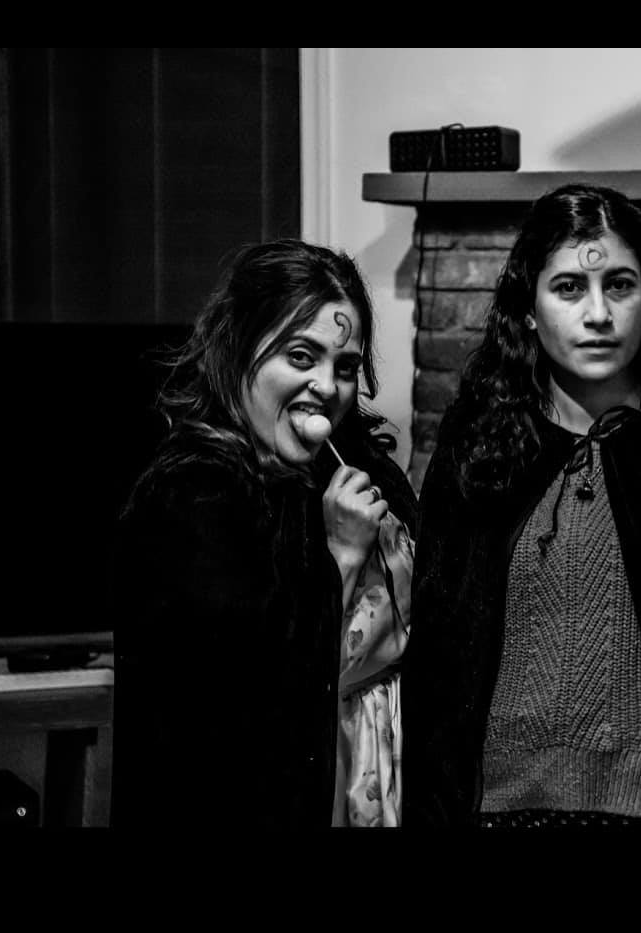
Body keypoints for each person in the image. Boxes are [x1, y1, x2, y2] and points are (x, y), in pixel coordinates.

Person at [403, 183, 641, 828]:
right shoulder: (483, 455)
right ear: (528, 310)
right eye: (569, 288)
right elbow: (439, 665)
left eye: (620, 286)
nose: (599, 313)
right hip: (497, 810)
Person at [112, 239, 416, 829]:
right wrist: (341, 556)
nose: (327, 386)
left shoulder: (357, 471)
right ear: (238, 351)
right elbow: (242, 693)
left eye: (345, 368)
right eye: (301, 356)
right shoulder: (193, 496)